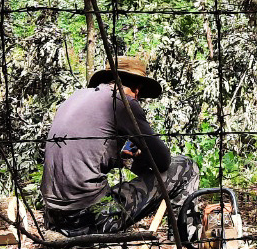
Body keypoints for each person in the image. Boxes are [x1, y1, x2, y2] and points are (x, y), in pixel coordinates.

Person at [41, 56, 200, 237]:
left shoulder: (75, 98)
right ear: (137, 89)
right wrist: (139, 156)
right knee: (186, 166)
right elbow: (163, 161)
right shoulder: (122, 103)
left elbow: (89, 154)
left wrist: (128, 156)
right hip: (91, 218)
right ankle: (186, 238)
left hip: (53, 217)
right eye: (139, 95)